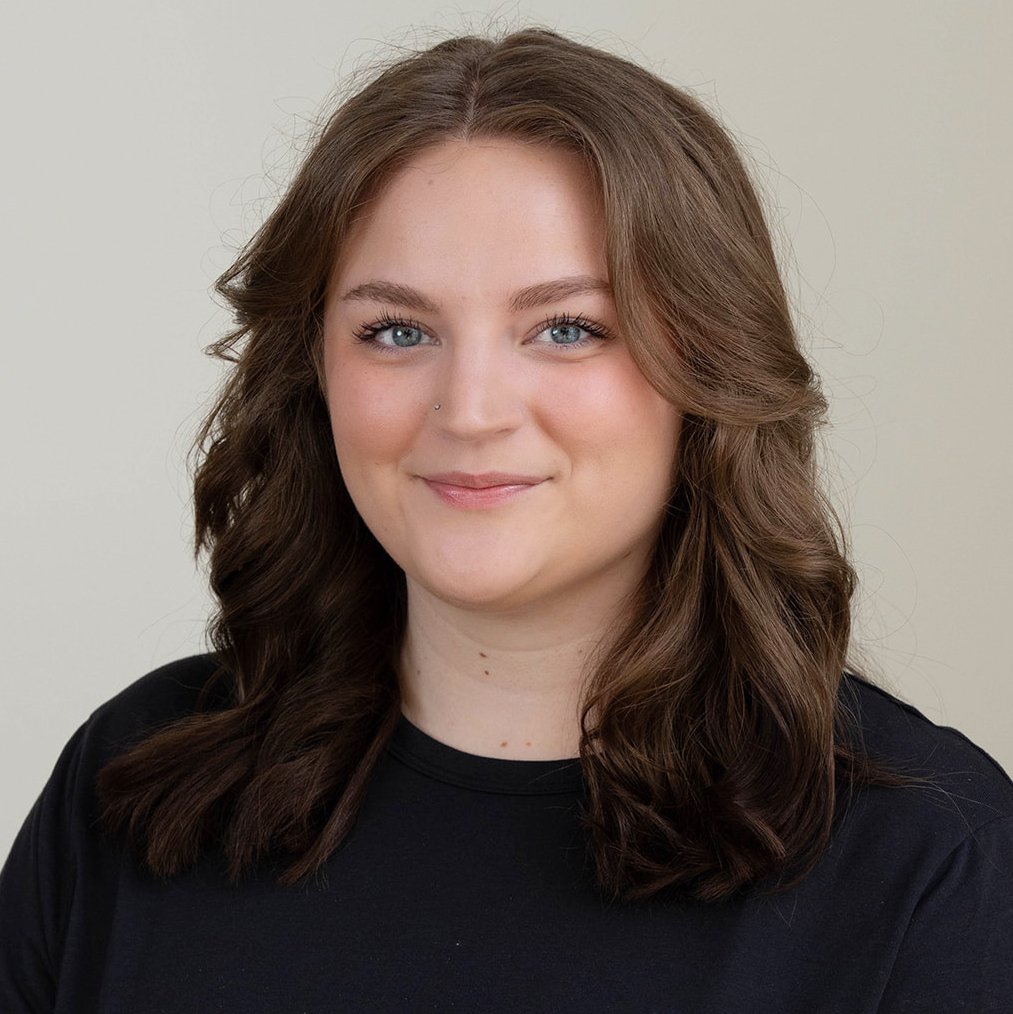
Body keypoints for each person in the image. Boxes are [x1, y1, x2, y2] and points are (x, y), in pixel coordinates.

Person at [1, 25, 1011, 1013]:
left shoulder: (924, 859)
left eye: (566, 328)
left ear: (703, 372)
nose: (469, 408)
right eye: (396, 330)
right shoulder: (135, 789)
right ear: (313, 370)